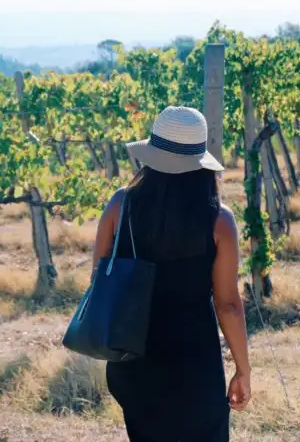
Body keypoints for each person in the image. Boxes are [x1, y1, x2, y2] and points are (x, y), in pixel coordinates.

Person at [92, 106, 251, 441]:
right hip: (193, 364)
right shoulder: (219, 221)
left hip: (132, 359)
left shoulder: (120, 205)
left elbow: (99, 280)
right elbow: (228, 305)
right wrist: (243, 370)